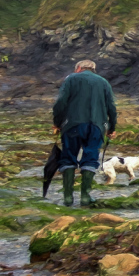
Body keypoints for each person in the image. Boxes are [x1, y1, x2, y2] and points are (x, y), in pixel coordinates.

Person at [52, 59, 117, 207]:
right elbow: (111, 107)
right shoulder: (103, 82)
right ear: (93, 69)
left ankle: (68, 198)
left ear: (79, 68)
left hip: (72, 125)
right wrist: (112, 128)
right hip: (97, 126)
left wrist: (57, 122)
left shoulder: (71, 79)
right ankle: (85, 197)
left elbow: (60, 102)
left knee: (68, 157)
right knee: (91, 157)